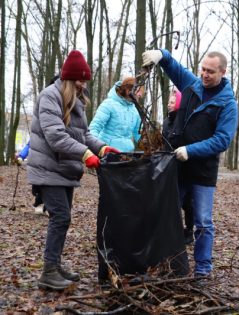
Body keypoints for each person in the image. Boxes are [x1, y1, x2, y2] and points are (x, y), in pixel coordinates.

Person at [27, 50, 120, 291]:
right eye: (80, 80)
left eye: (85, 81)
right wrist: (85, 155)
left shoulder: (76, 100)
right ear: (69, 78)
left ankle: (55, 267)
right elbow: (56, 136)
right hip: (48, 167)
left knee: (62, 218)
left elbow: (85, 135)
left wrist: (101, 149)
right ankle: (48, 271)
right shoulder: (49, 96)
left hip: (64, 170)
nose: (82, 85)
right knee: (61, 217)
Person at [142, 49, 239, 276]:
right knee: (168, 215)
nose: (204, 75)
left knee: (203, 222)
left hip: (203, 171)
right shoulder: (191, 84)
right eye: (203, 69)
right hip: (176, 167)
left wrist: (191, 150)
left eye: (210, 71)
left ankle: (203, 270)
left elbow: (222, 140)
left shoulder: (227, 104)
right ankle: (170, 263)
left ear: (222, 72)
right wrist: (161, 55)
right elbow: (173, 65)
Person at [162, 90, 194, 245]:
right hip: (170, 169)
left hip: (186, 170)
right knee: (174, 202)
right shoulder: (166, 122)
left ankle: (189, 231)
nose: (169, 104)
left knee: (188, 203)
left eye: (172, 102)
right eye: (168, 102)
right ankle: (174, 231)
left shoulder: (186, 122)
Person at [89, 77, 141, 152]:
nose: (140, 94)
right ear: (128, 91)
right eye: (138, 91)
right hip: (108, 154)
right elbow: (94, 128)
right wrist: (97, 149)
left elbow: (139, 134)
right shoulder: (108, 104)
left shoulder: (135, 110)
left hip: (128, 155)